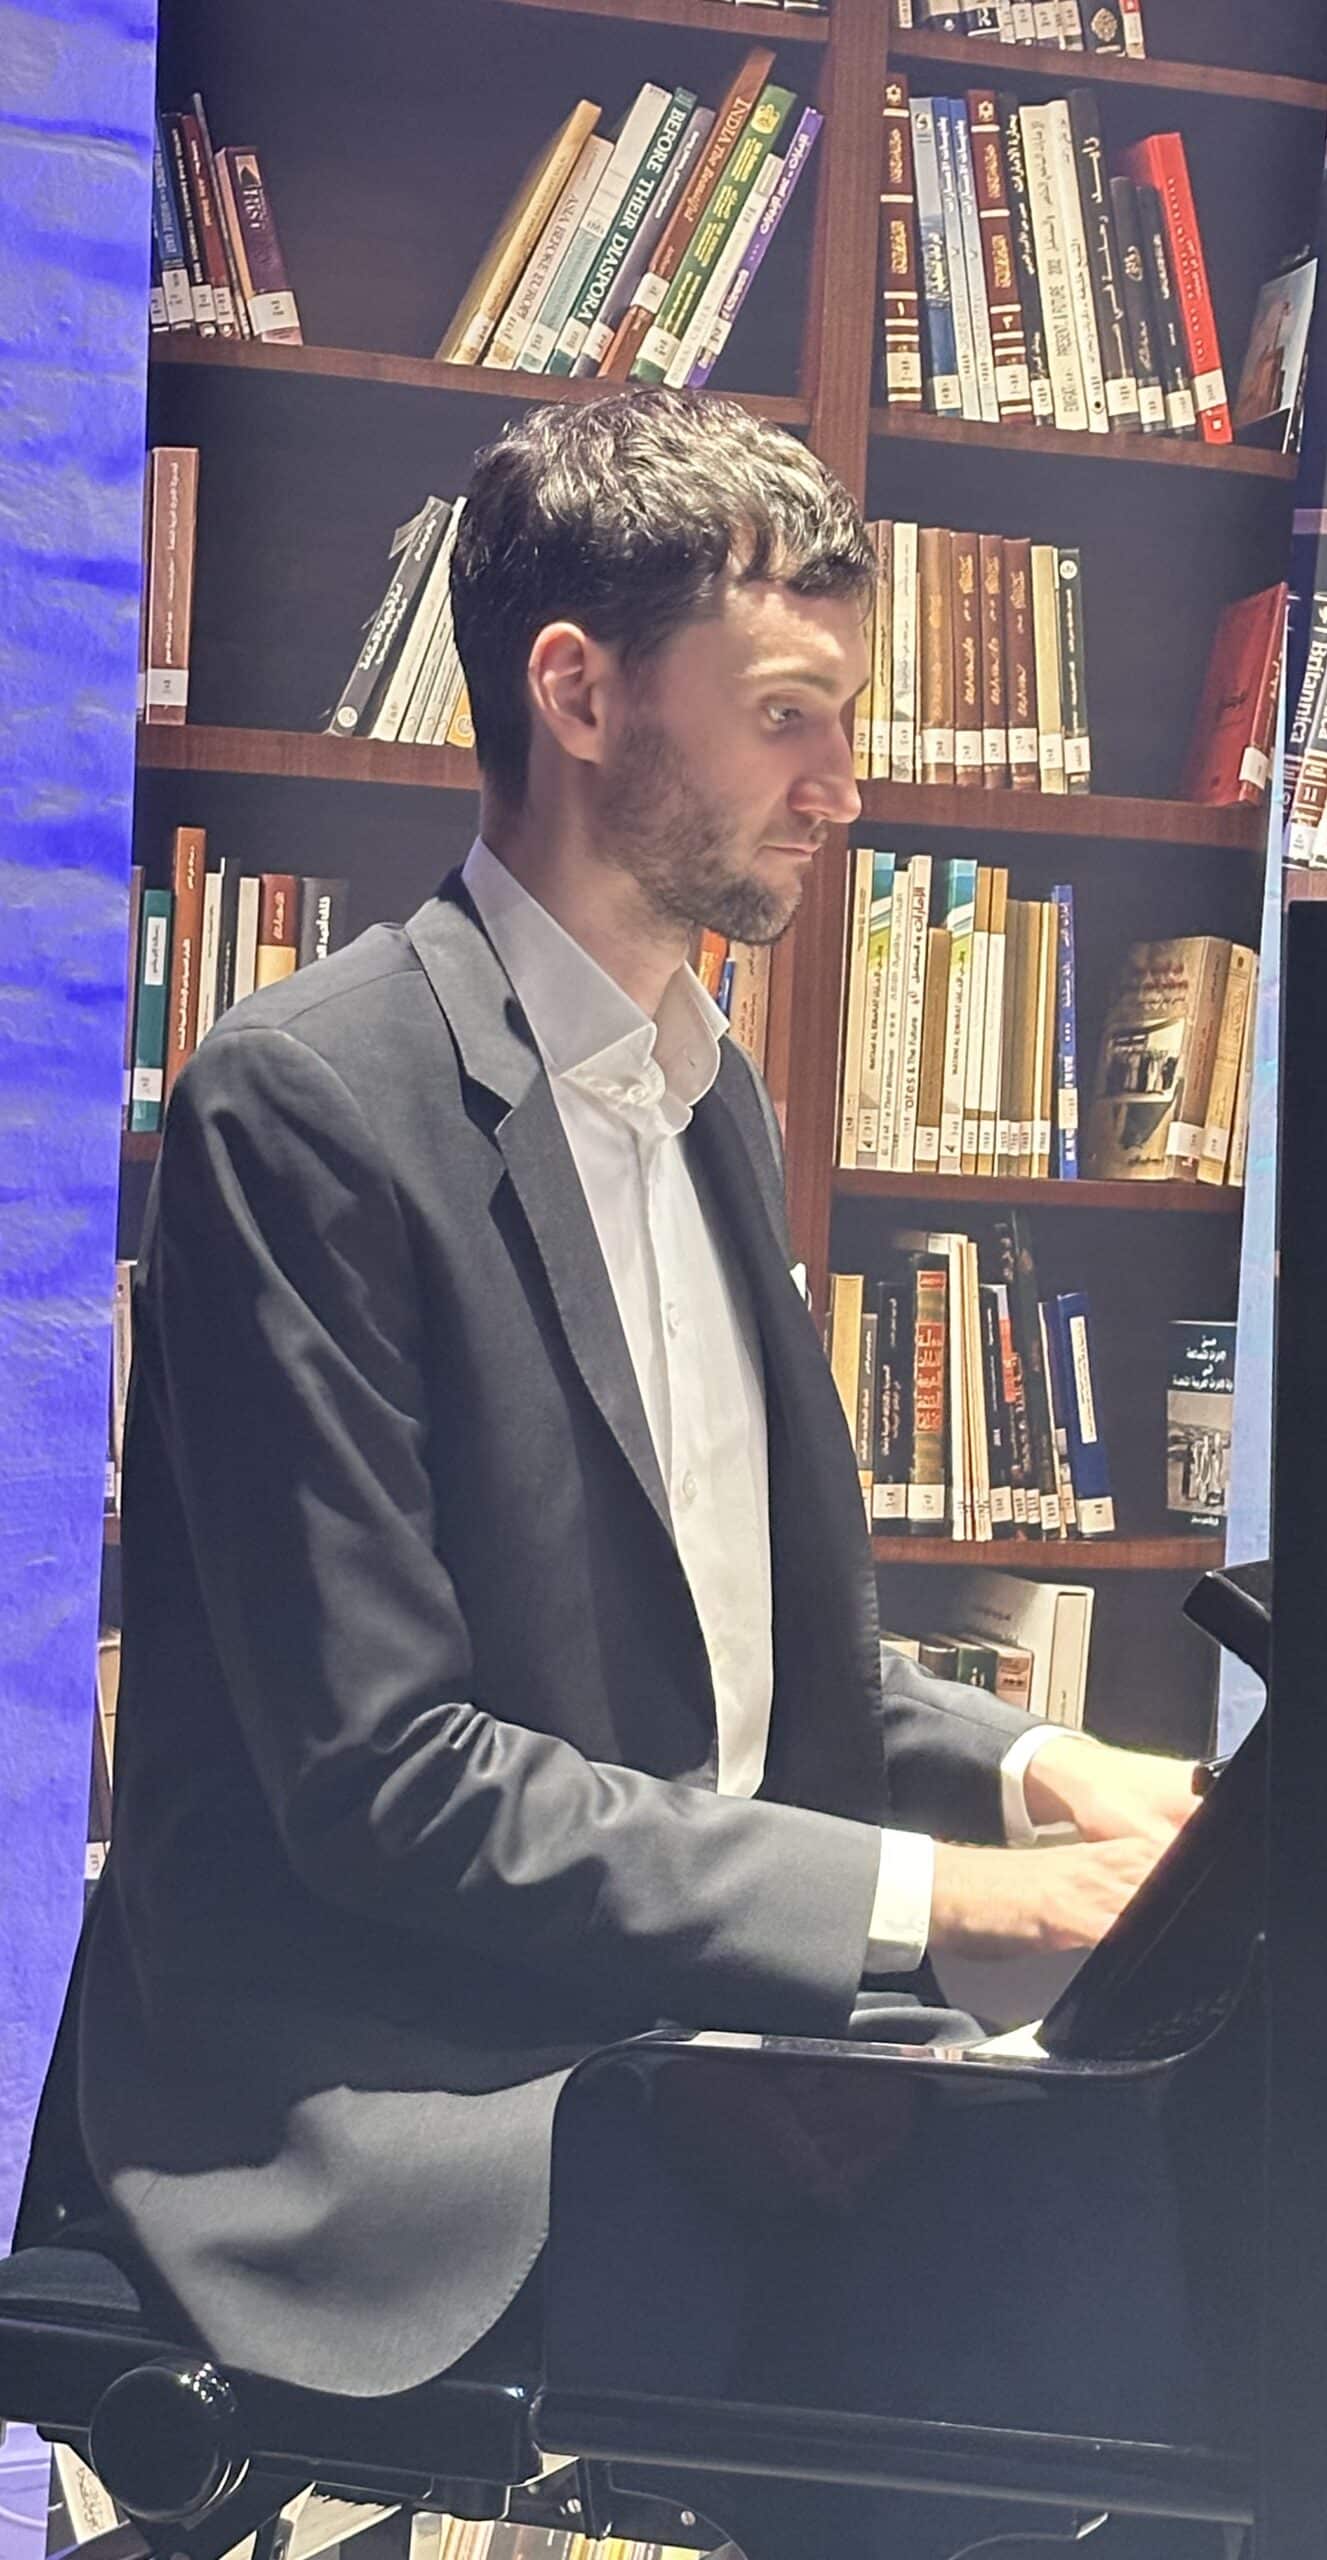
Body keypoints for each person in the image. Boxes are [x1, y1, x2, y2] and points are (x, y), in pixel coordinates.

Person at [22, 392, 1209, 2476]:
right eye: (787, 716)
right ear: (576, 691)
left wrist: (1049, 1770)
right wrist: (964, 1902)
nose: (843, 784)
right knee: (1031, 2290)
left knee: (1164, 2216)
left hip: (668, 2014)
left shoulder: (712, 1096)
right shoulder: (304, 1102)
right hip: (404, 2086)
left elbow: (741, 1667)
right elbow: (389, 1784)